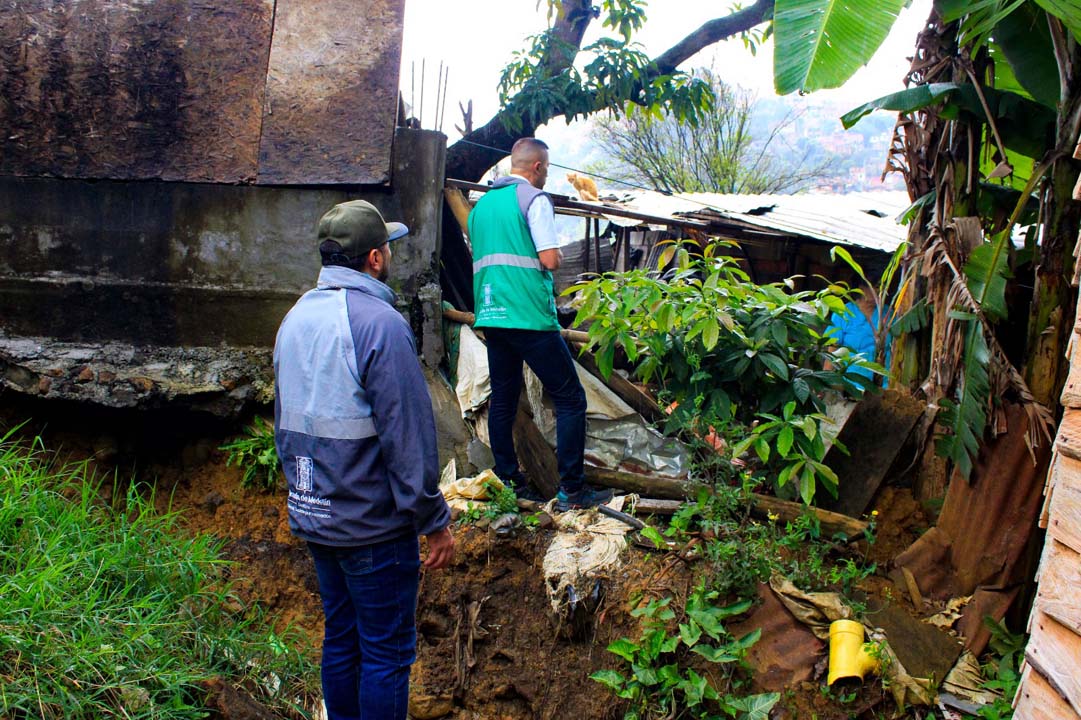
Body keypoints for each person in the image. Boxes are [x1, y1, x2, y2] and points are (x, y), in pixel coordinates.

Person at [273, 199, 454, 720]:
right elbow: (409, 437)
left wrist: (304, 493)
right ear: (375, 258)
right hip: (372, 525)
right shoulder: (380, 323)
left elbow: (284, 420)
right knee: (386, 654)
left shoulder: (295, 319)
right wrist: (433, 520)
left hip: (317, 516)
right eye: (389, 249)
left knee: (342, 638)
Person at [468, 137, 613, 510]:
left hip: (492, 316)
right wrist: (558, 254)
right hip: (529, 316)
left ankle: (509, 483)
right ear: (536, 167)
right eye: (546, 168)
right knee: (570, 399)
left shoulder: (480, 207)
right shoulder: (534, 200)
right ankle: (572, 492)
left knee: (503, 398)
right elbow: (549, 259)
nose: (546, 175)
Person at [825, 284, 889, 386]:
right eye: (876, 287)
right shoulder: (843, 313)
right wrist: (825, 381)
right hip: (850, 385)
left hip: (884, 386)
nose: (879, 291)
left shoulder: (889, 314)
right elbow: (833, 350)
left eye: (882, 287)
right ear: (862, 288)